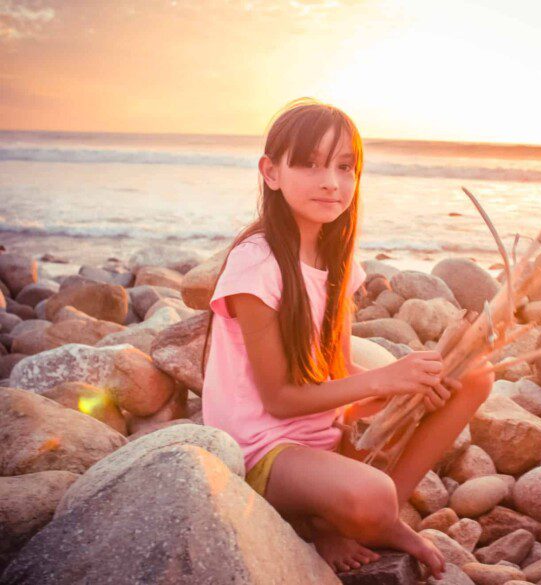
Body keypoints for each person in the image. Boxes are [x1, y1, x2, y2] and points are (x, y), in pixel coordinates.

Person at [201, 98, 494, 578]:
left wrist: (408, 385)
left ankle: (350, 519)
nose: (331, 183)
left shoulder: (335, 257)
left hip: (326, 431)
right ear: (271, 172)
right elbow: (278, 399)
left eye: (344, 167)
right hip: (266, 449)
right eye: (310, 164)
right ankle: (356, 516)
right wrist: (389, 378)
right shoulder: (256, 265)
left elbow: (336, 372)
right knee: (372, 492)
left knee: (473, 377)